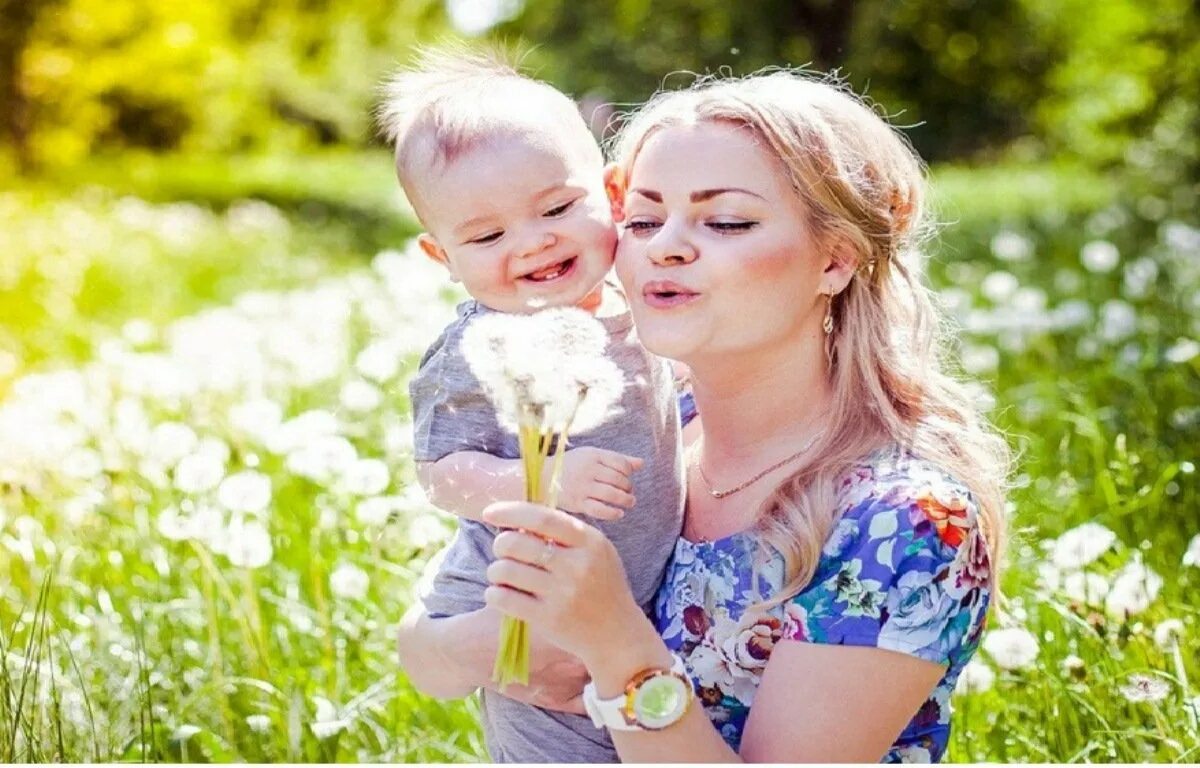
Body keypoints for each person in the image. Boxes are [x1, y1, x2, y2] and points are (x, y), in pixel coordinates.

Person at [399, 69, 1010, 763]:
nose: (666, 246)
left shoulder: (902, 521)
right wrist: (480, 644)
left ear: (836, 259)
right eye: (643, 219)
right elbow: (425, 647)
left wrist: (615, 647)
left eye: (725, 221)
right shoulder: (637, 418)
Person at [378, 47, 686, 763]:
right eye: (487, 236)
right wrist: (542, 481)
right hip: (516, 609)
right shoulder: (478, 347)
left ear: (612, 195)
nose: (532, 240)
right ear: (441, 257)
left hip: (633, 605)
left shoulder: (645, 306)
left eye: (556, 207)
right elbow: (440, 472)